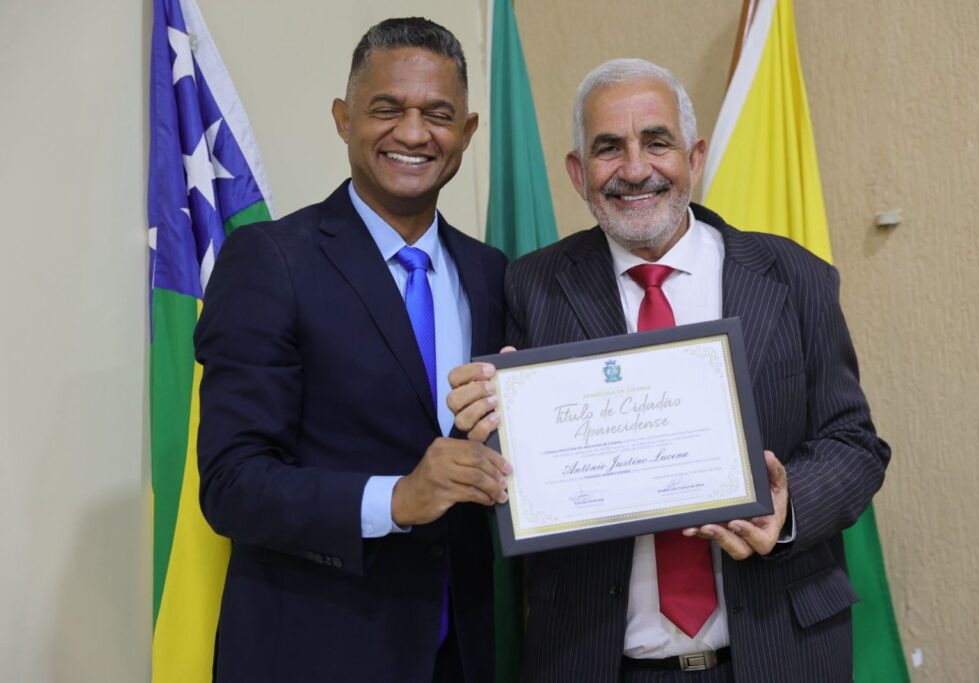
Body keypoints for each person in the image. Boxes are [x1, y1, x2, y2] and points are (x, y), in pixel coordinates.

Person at [448, 58, 890, 682]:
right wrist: (491, 425)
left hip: (779, 652)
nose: (635, 169)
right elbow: (507, 473)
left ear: (695, 157)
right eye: (609, 148)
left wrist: (789, 505)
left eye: (657, 142)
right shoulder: (531, 287)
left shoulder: (795, 277)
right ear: (577, 172)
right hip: (595, 661)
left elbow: (856, 444)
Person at [194, 18, 510, 683]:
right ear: (344, 119)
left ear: (468, 131)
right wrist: (395, 499)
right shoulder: (270, 261)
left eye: (438, 114)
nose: (414, 133)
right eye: (387, 109)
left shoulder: (491, 272)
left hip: (460, 655)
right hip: (312, 655)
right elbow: (231, 483)